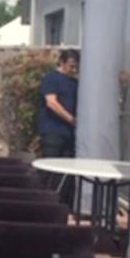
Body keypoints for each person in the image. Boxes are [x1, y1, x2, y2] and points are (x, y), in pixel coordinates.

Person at [37, 49, 79, 204]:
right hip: (53, 131)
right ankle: (43, 204)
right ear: (61, 62)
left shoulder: (75, 83)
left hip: (69, 134)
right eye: (71, 66)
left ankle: (62, 204)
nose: (74, 70)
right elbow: (51, 103)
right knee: (50, 168)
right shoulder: (51, 78)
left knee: (67, 171)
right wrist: (72, 119)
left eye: (76, 67)